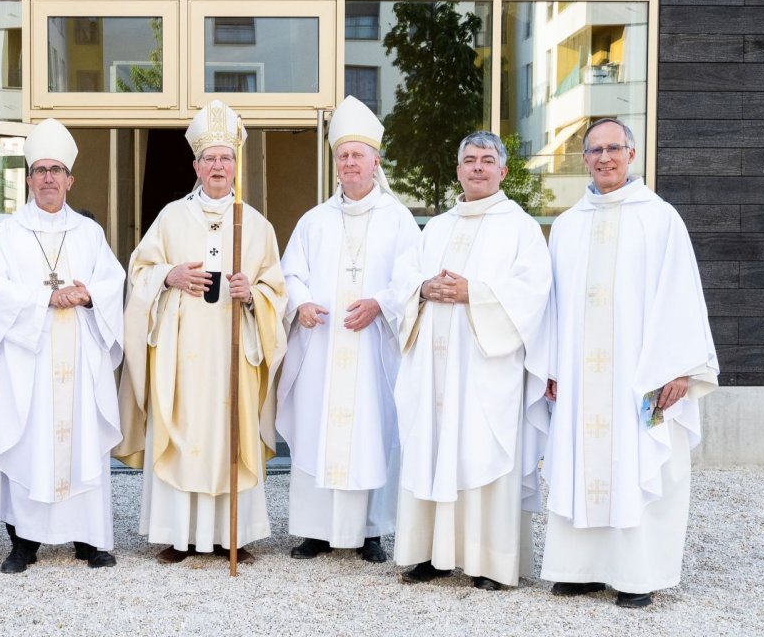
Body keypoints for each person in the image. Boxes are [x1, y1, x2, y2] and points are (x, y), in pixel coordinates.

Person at [539, 118, 719, 607]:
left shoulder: (660, 219)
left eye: (613, 148)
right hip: (581, 378)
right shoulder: (569, 225)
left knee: (639, 460)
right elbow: (553, 303)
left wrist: (680, 368)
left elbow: (681, 294)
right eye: (594, 151)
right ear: (584, 160)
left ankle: (637, 575)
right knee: (582, 459)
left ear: (632, 154)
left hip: (639, 375)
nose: (603, 158)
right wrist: (552, 366)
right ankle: (579, 569)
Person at [116, 100, 287, 565]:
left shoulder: (256, 225)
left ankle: (236, 535)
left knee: (230, 434)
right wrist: (169, 276)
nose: (217, 166)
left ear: (236, 164)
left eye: (225, 158)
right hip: (181, 353)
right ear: (195, 165)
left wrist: (252, 295)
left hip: (235, 353)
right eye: (209, 158)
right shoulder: (171, 217)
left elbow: (277, 290)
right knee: (185, 429)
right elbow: (139, 271)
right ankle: (180, 535)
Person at [389, 131, 552, 590]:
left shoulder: (519, 226)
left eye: (486, 160)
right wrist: (421, 290)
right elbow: (404, 277)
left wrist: (472, 294)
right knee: (432, 448)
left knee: (480, 451)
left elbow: (534, 292)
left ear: (502, 171)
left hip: (484, 370)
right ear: (457, 169)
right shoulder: (436, 226)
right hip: (434, 371)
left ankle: (490, 564)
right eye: (468, 160)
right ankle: (428, 554)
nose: (477, 167)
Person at [0, 118, 125, 572]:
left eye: (56, 170)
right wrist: (47, 297)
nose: (48, 178)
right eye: (40, 170)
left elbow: (112, 281)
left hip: (79, 359)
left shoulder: (89, 233)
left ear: (70, 179)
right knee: (28, 443)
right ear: (30, 179)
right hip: (29, 361)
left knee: (80, 441)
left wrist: (90, 294)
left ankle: (88, 539)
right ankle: (23, 543)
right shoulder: (9, 233)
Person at [276, 96, 419, 563]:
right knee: (319, 430)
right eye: (343, 155)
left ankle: (370, 531)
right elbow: (289, 274)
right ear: (335, 163)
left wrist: (381, 304)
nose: (350, 163)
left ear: (376, 161)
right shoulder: (314, 221)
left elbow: (412, 277)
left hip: (371, 347)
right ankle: (315, 530)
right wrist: (301, 305)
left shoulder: (398, 219)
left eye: (358, 155)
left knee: (371, 433)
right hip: (321, 346)